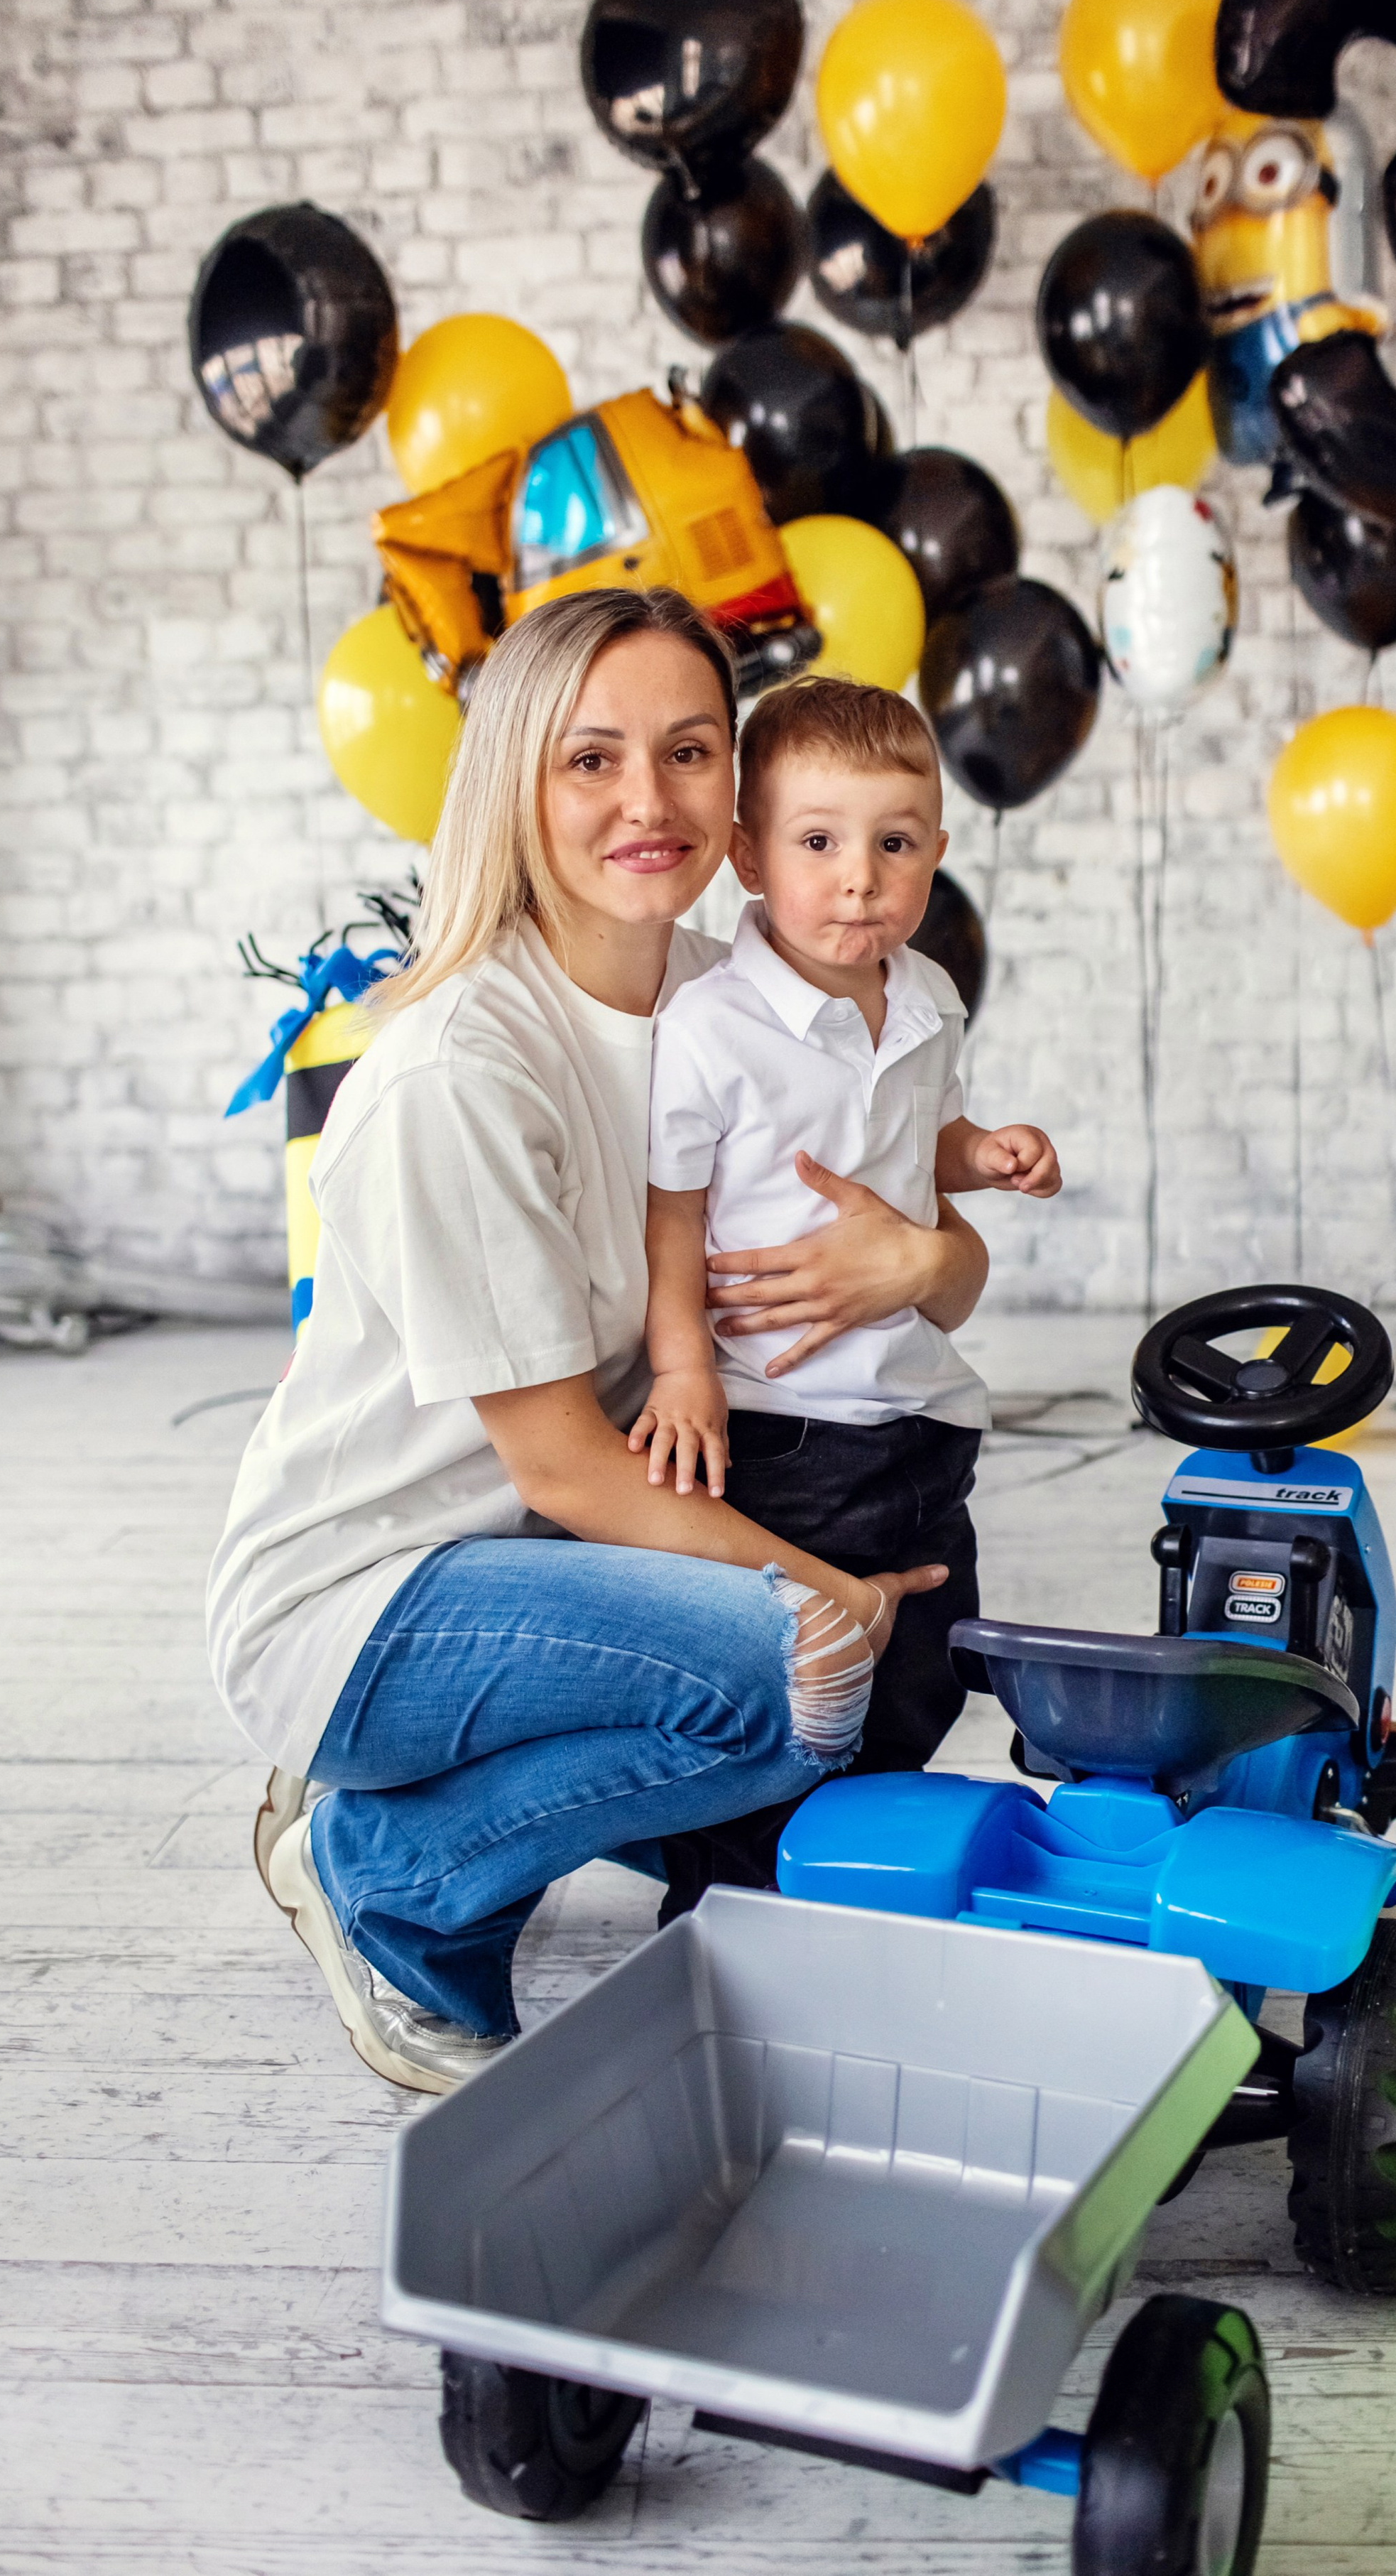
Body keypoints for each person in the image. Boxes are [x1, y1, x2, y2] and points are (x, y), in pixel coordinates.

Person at [206, 590, 990, 2094]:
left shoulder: (732, 999)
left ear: (738, 791)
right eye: (592, 759)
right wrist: (823, 1590)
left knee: (870, 1698)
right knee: (797, 1671)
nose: (649, 800)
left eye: (689, 750)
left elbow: (927, 1270)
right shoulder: (459, 1068)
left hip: (563, 1557)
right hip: (374, 1585)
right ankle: (385, 1867)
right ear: (515, 781)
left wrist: (929, 1248)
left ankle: (527, 1789)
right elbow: (566, 1464)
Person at [635, 678, 1060, 1905]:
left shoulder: (925, 999)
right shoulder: (713, 1027)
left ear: (937, 849)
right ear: (750, 857)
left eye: (895, 842)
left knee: (923, 1664)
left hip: (919, 1415)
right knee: (798, 1678)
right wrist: (683, 1367)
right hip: (784, 1421)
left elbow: (913, 1141)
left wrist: (981, 1156)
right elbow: (672, 1209)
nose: (860, 877)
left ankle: (852, 1868)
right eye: (818, 842)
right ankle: (724, 1900)